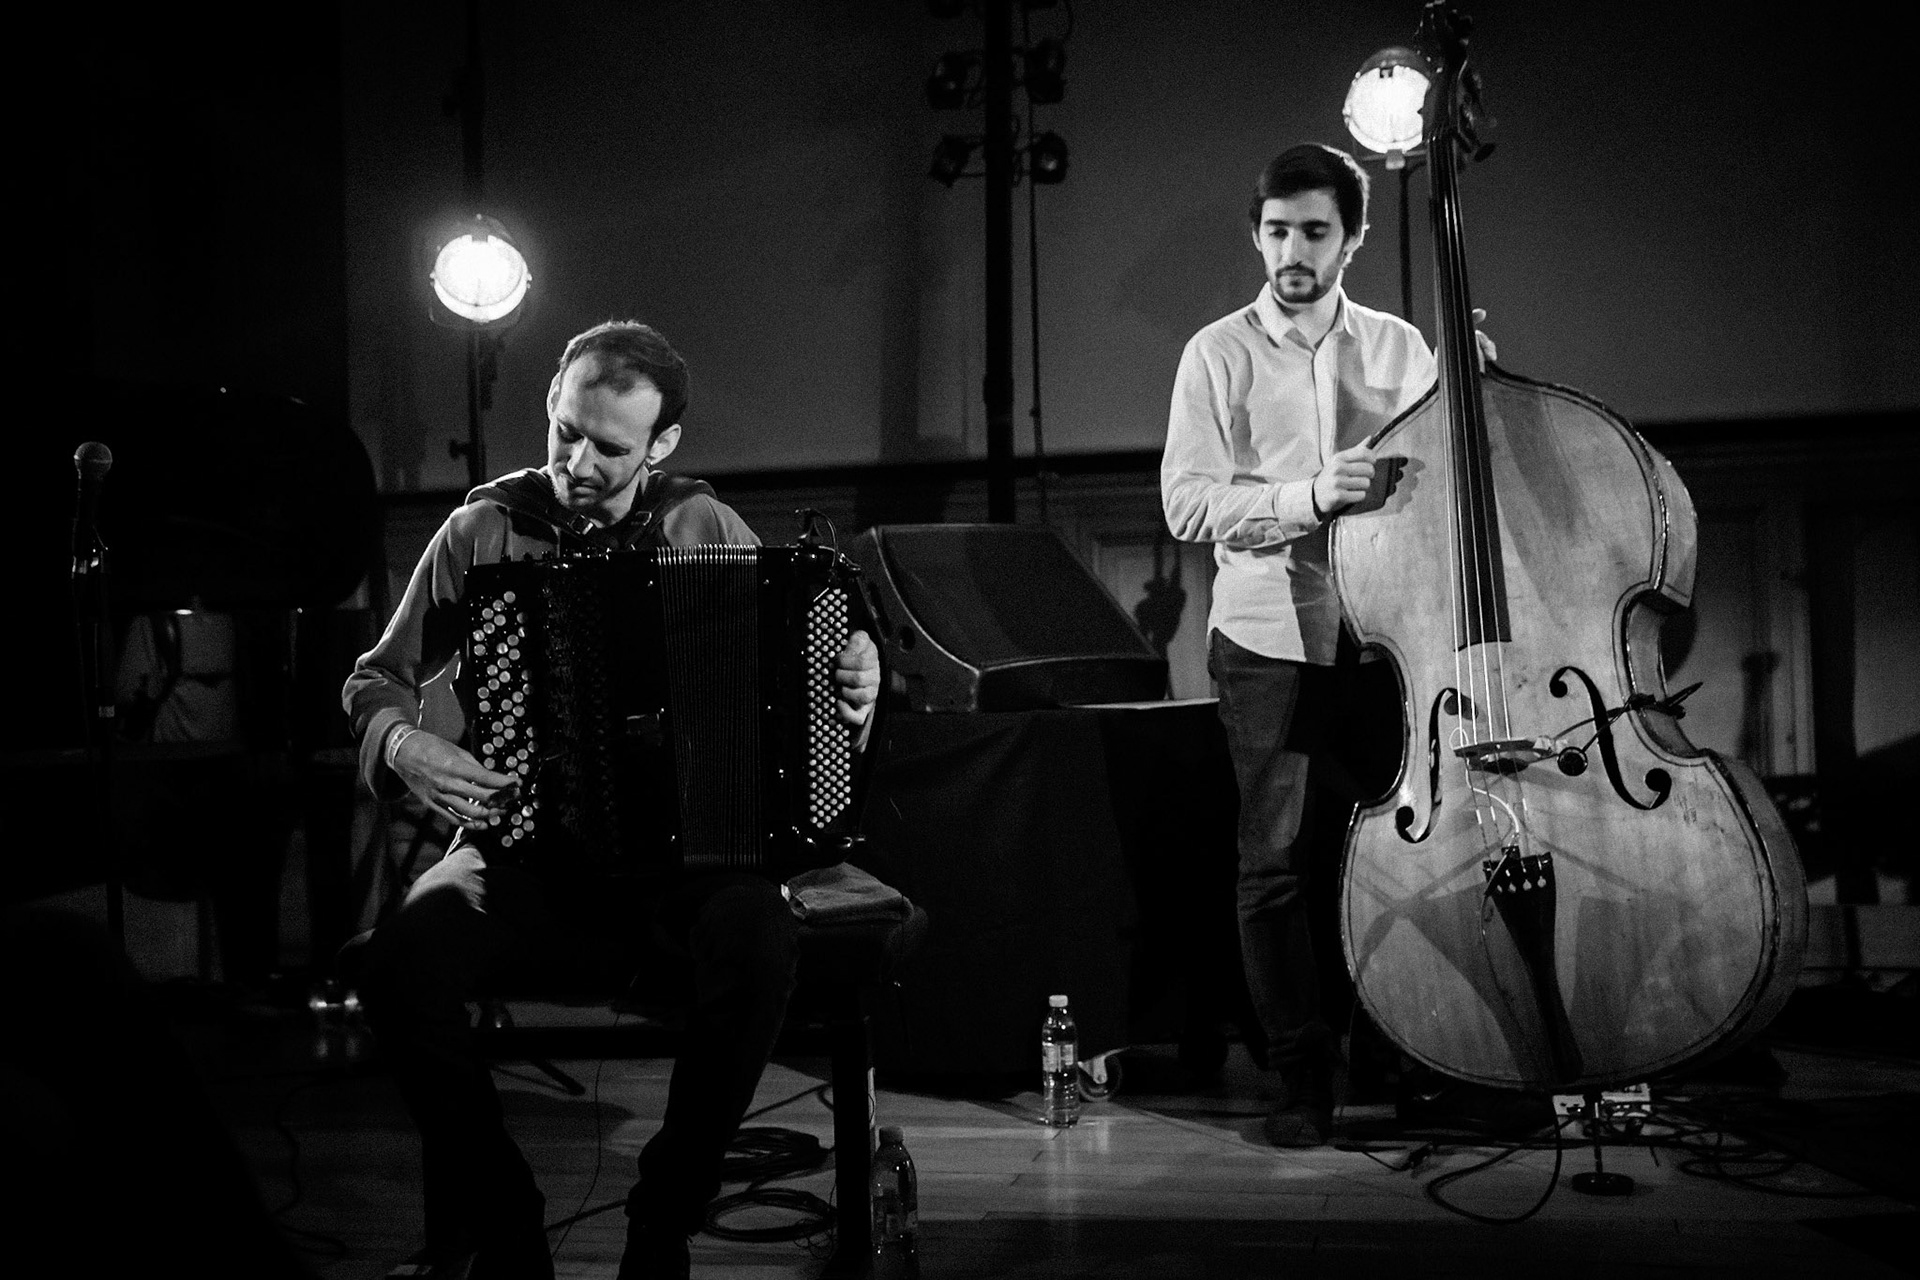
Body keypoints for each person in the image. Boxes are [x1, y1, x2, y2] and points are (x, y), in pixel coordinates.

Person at [342, 320, 880, 1279]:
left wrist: (857, 674)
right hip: (520, 859)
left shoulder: (703, 529)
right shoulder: (481, 530)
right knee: (396, 964)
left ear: (662, 446)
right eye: (563, 433)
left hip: (688, 872)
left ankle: (663, 1219)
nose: (575, 464)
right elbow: (374, 679)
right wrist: (404, 740)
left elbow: (801, 690)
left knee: (759, 935)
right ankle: (506, 1223)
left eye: (609, 447)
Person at [1161, 143, 1486, 1148]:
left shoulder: (1398, 349)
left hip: (1384, 634)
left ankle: (1404, 1051)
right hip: (1265, 634)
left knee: (1395, 850)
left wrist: (1470, 385)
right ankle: (1298, 1071)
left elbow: (1447, 488)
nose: (1291, 251)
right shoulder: (1217, 351)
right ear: (1256, 230)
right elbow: (1185, 502)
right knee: (1274, 862)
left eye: (1313, 231)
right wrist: (1309, 494)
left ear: (1353, 237)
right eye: (1275, 230)